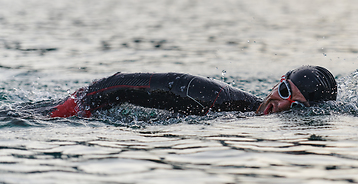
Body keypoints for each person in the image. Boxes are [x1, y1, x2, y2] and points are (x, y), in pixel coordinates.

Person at [49, 65, 336, 118]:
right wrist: (71, 107)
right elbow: (125, 83)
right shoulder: (217, 98)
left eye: (296, 106)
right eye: (284, 91)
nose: (282, 105)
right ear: (278, 82)